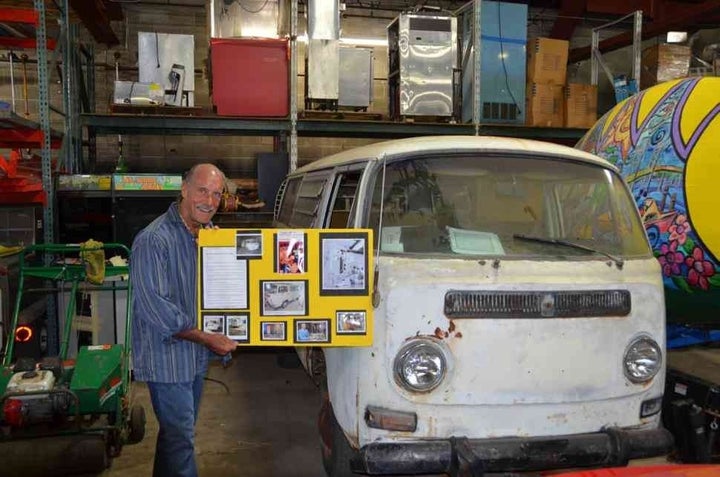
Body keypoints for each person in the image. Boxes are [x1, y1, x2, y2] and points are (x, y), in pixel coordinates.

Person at [130, 163, 237, 477]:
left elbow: (212, 293)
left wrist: (218, 254)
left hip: (192, 358)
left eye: (217, 194)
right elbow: (156, 308)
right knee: (182, 441)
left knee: (174, 438)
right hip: (167, 359)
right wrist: (208, 337)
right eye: (202, 191)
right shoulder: (153, 240)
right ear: (184, 190)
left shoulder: (204, 238)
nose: (209, 200)